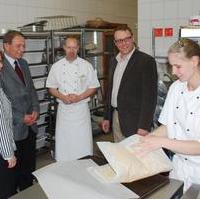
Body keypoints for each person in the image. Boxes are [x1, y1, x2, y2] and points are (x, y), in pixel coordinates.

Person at [136, 38, 200, 192]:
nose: (173, 72)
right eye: (172, 66)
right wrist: (146, 140)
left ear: (194, 61)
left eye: (178, 66)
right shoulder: (176, 88)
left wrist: (161, 143)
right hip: (178, 168)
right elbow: (168, 126)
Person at [46, 36, 100, 162]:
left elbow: (93, 87)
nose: (71, 50)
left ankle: (84, 165)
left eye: (74, 48)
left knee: (82, 141)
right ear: (64, 48)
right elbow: (51, 87)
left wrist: (79, 97)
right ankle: (64, 167)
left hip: (81, 110)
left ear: (78, 48)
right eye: (69, 47)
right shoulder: (57, 66)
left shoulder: (86, 66)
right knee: (64, 142)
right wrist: (63, 97)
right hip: (64, 111)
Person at [101, 25, 158, 142]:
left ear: (133, 38)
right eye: (119, 41)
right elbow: (111, 90)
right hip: (117, 117)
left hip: (136, 121)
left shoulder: (146, 61)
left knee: (136, 157)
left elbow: (150, 97)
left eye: (127, 39)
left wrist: (144, 126)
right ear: (115, 43)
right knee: (120, 156)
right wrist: (107, 117)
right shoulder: (114, 61)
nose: (124, 43)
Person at [0, 30, 40, 191]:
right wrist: (20, 117)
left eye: (24, 45)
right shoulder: (1, 66)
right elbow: (2, 104)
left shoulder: (23, 63)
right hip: (14, 128)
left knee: (28, 167)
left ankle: (28, 191)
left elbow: (31, 90)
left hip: (31, 125)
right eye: (18, 46)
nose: (22, 49)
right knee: (13, 172)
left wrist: (36, 109)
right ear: (6, 46)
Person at [0, 51, 17, 198]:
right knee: (6, 189)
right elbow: (1, 125)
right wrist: (8, 154)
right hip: (2, 152)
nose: (1, 65)